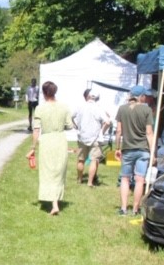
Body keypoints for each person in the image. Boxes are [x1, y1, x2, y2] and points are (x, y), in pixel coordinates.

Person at [25, 81, 73, 216]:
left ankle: (54, 203)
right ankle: (55, 201)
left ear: (44, 93)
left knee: (48, 171)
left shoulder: (40, 108)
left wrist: (33, 147)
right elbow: (70, 126)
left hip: (46, 140)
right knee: (59, 171)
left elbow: (36, 130)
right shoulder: (64, 107)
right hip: (60, 140)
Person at [114, 85, 155, 216]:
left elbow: (119, 131)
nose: (146, 98)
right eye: (145, 95)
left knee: (125, 178)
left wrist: (117, 148)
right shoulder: (146, 110)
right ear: (141, 96)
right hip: (143, 149)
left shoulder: (122, 109)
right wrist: (153, 152)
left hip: (127, 148)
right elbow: (149, 133)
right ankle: (136, 209)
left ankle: (123, 209)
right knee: (139, 179)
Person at [72, 88, 111, 187]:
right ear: (96, 98)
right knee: (94, 160)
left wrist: (76, 126)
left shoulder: (80, 106)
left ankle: (79, 179)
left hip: (82, 137)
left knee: (81, 160)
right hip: (95, 138)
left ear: (88, 96)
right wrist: (102, 132)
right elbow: (108, 122)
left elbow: (71, 117)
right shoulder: (99, 108)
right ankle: (90, 182)